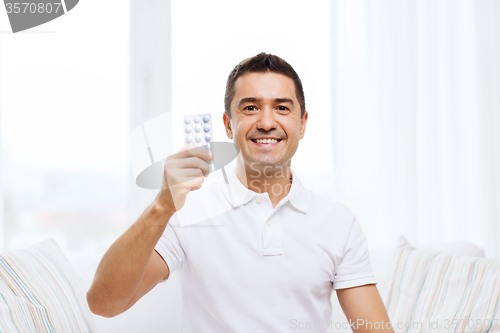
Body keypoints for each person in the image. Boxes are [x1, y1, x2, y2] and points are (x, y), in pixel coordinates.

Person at [87, 52, 394, 332]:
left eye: (282, 108)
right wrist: (161, 207)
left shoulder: (338, 222)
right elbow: (104, 304)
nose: (266, 122)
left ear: (302, 124)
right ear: (228, 125)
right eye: (250, 107)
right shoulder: (188, 211)